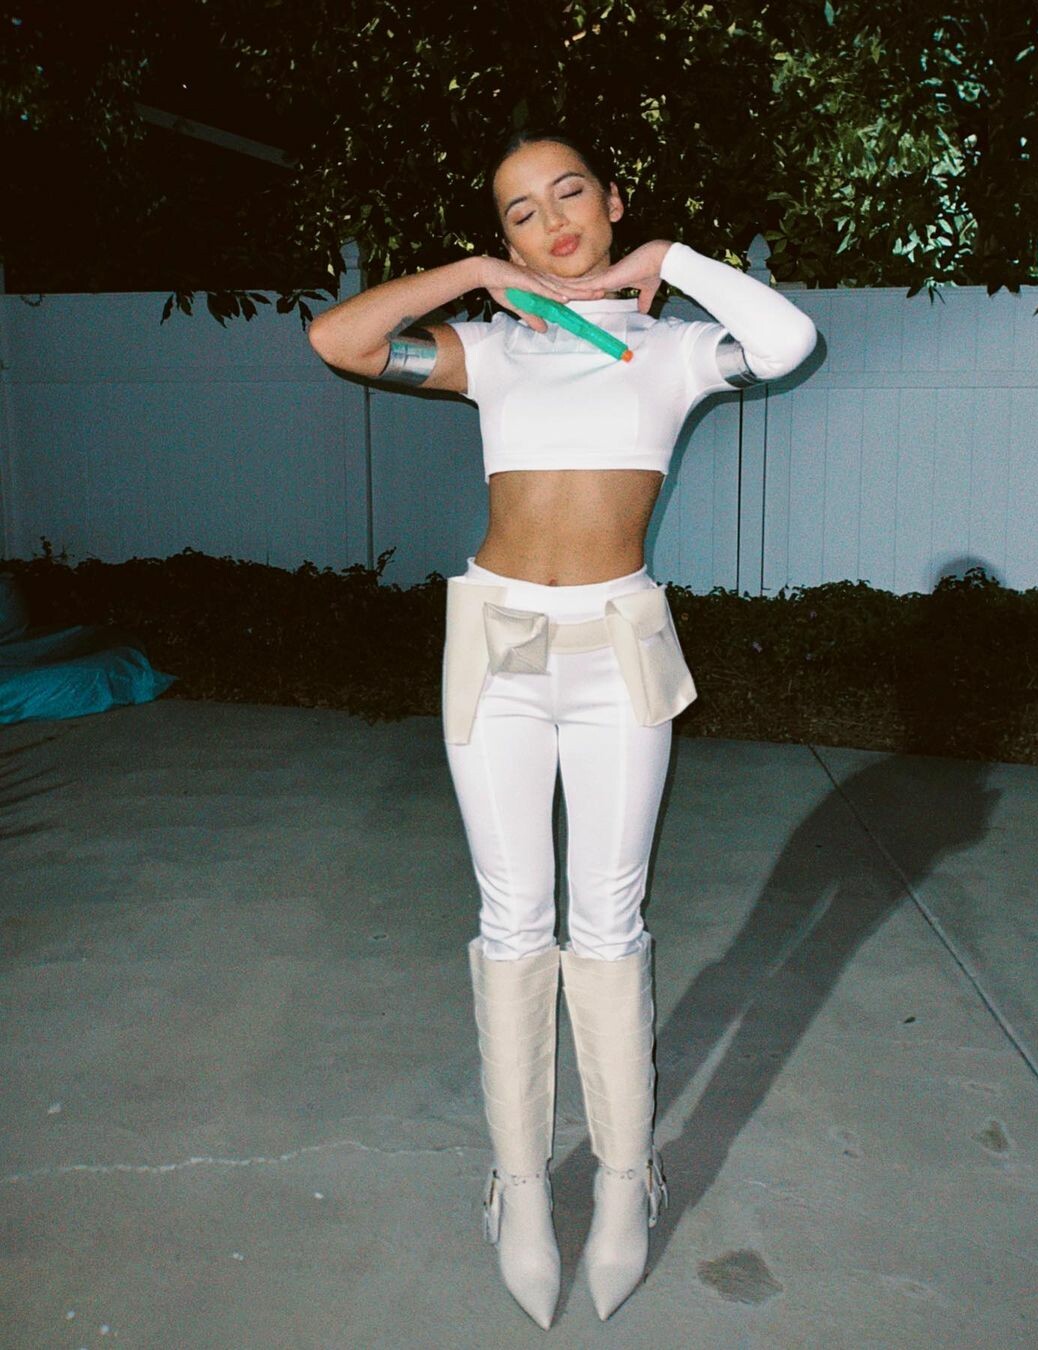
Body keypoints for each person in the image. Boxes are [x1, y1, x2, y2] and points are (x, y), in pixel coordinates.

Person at [307, 128, 818, 1329]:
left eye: (571, 193)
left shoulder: (675, 347)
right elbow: (340, 341)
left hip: (616, 650)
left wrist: (670, 260)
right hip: (496, 647)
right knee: (512, 918)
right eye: (522, 214)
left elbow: (789, 342)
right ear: (509, 241)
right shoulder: (493, 350)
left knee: (608, 920)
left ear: (613, 201)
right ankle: (523, 1187)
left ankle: (629, 1180)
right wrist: (478, 279)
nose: (554, 224)